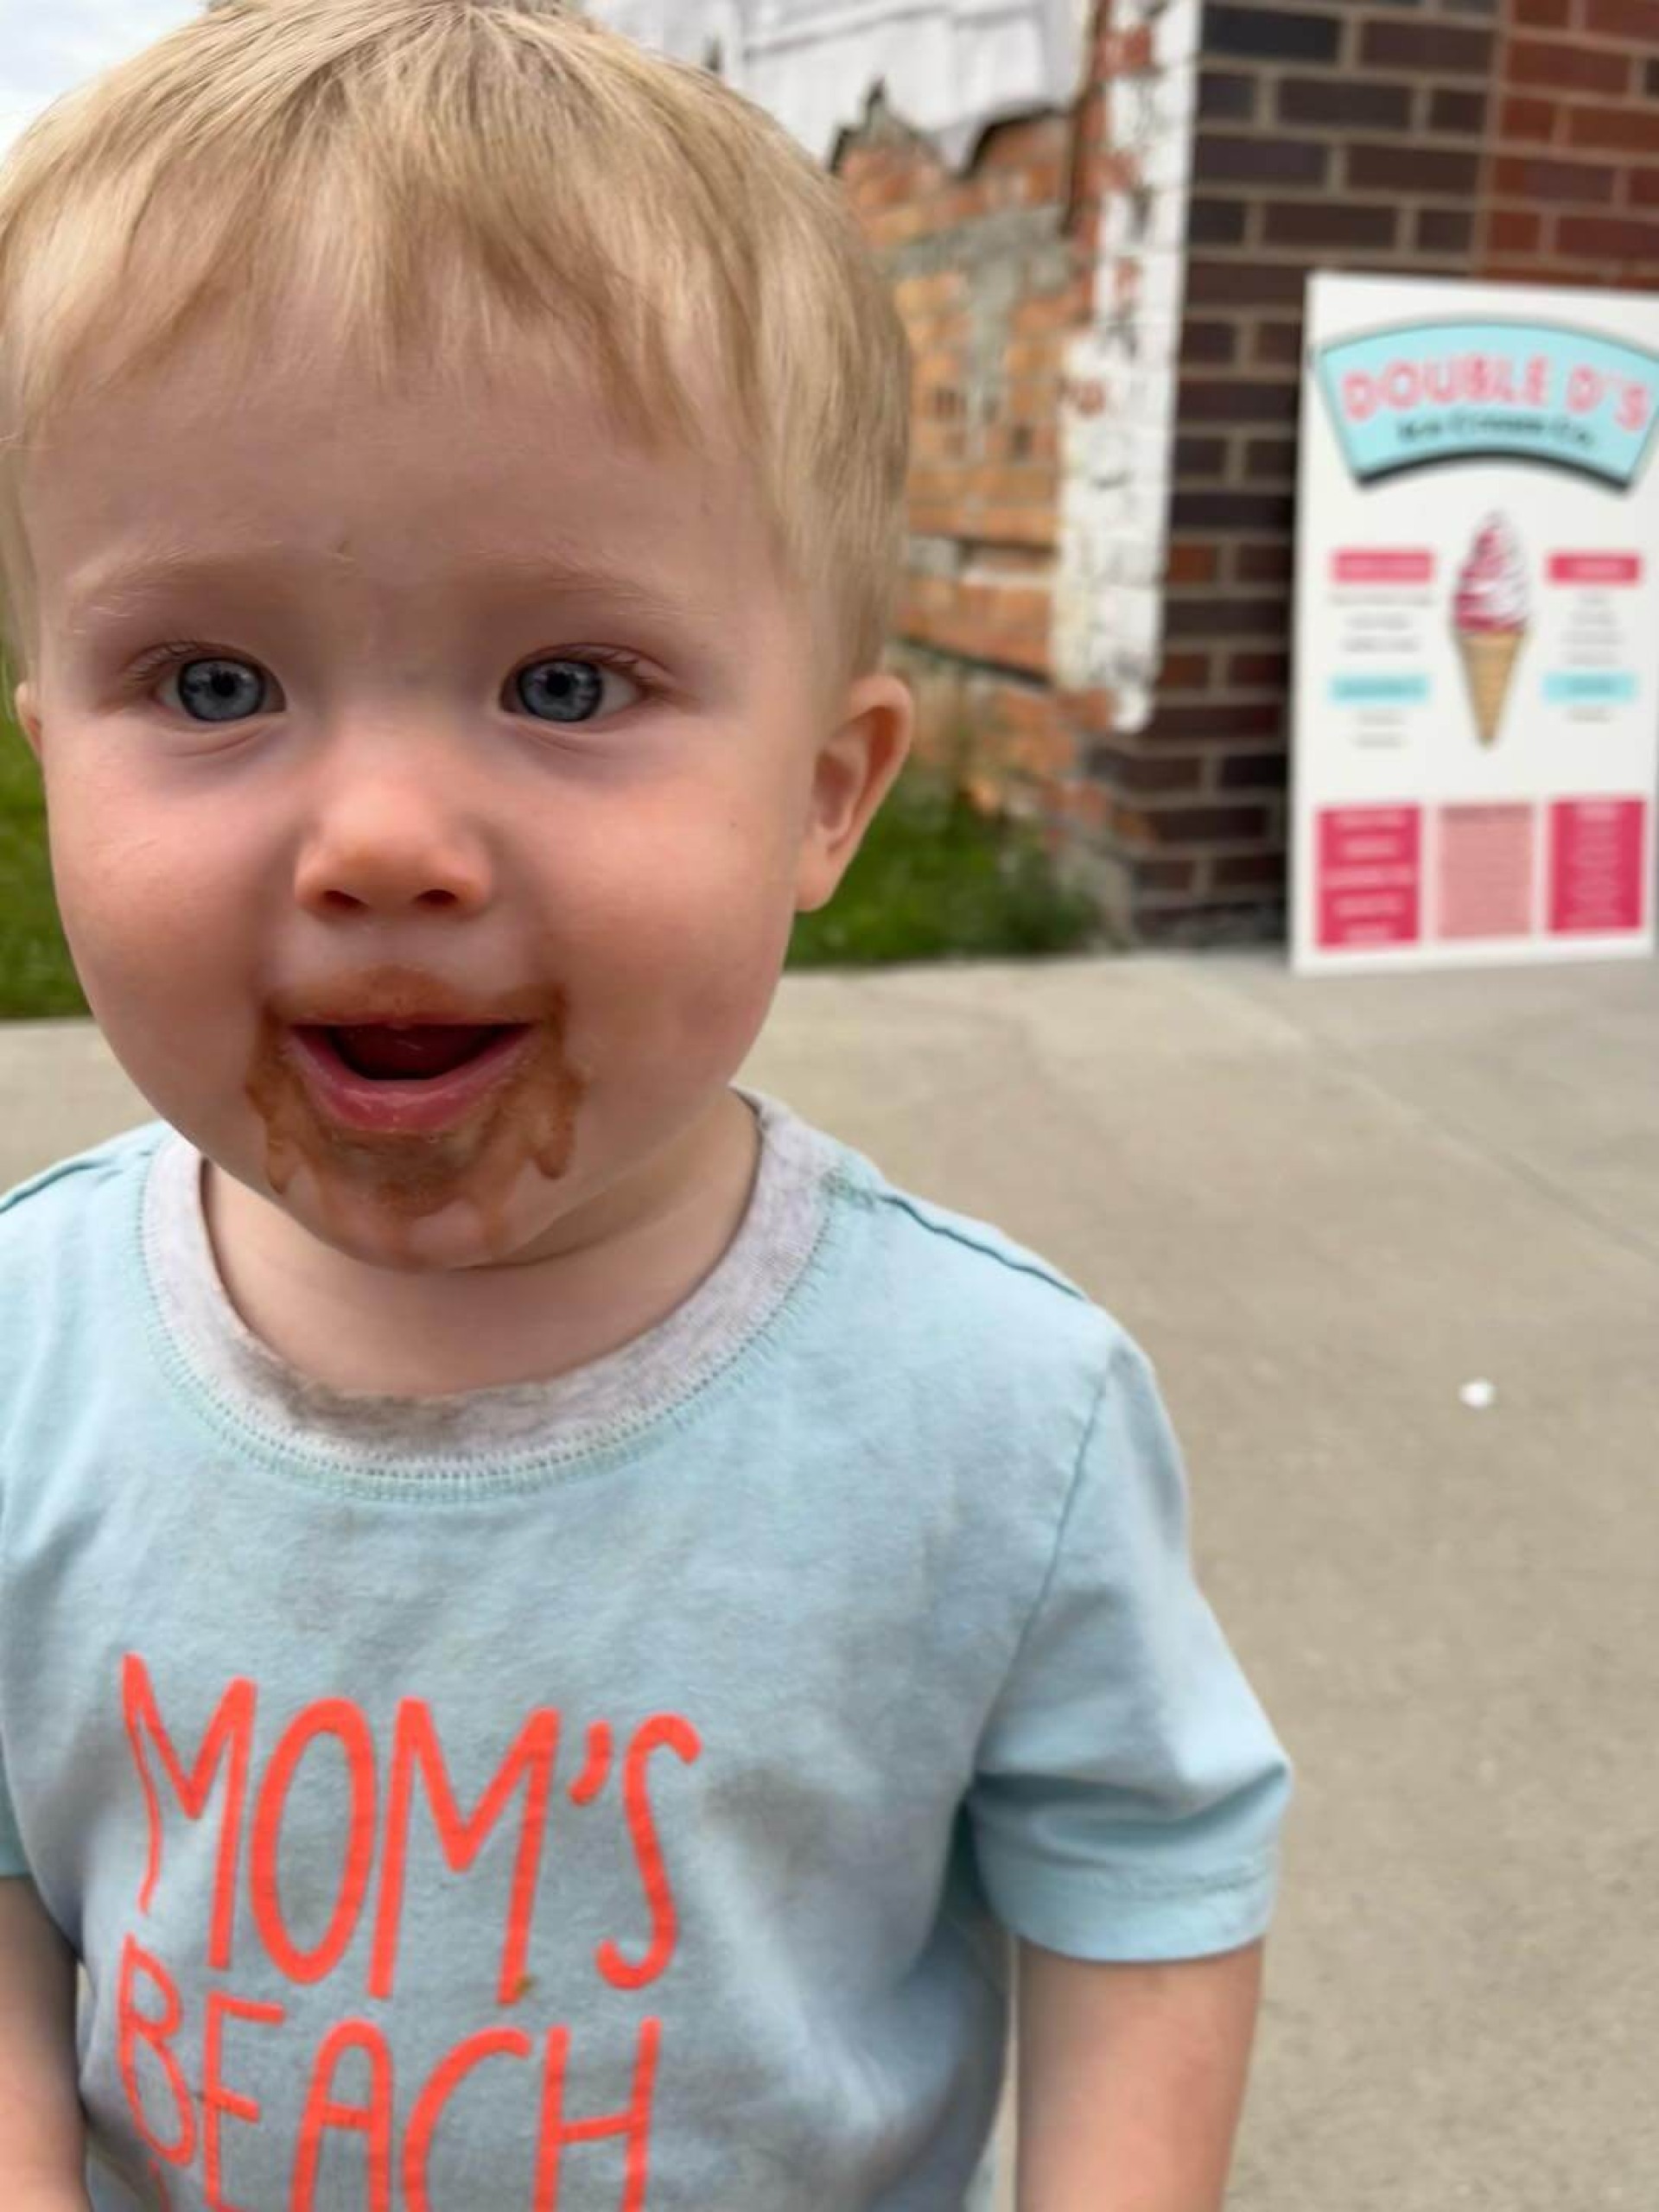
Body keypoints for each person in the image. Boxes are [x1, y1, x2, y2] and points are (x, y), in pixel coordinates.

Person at [0, 3, 1294, 2207]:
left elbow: (1142, 1856)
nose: (382, 837)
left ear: (824, 795)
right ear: (46, 749)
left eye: (565, 681)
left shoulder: (993, 1413)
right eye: (211, 683)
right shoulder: (25, 1351)